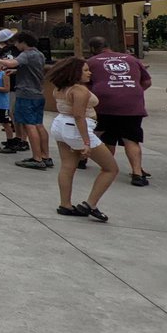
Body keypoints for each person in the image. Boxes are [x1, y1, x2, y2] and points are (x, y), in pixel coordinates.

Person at [47, 56, 119, 221]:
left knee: (67, 166)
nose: (89, 73)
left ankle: (65, 204)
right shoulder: (79, 90)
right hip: (77, 128)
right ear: (75, 72)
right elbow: (79, 116)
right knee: (110, 168)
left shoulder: (59, 88)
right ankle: (90, 204)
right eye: (85, 70)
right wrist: (86, 142)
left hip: (60, 124)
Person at [87, 36, 152, 187]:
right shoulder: (132, 59)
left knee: (105, 136)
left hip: (105, 105)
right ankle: (137, 173)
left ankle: (106, 167)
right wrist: (132, 92)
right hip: (132, 106)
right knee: (131, 139)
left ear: (92, 49)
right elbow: (147, 81)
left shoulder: (92, 62)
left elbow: (85, 84)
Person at [0, 31, 51, 170]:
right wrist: (16, 72)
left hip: (26, 93)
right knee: (39, 125)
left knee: (29, 125)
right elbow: (32, 70)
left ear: (23, 42)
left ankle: (36, 158)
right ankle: (45, 156)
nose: (16, 45)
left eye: (17, 42)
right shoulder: (39, 54)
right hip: (38, 93)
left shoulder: (26, 54)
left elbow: (13, 62)